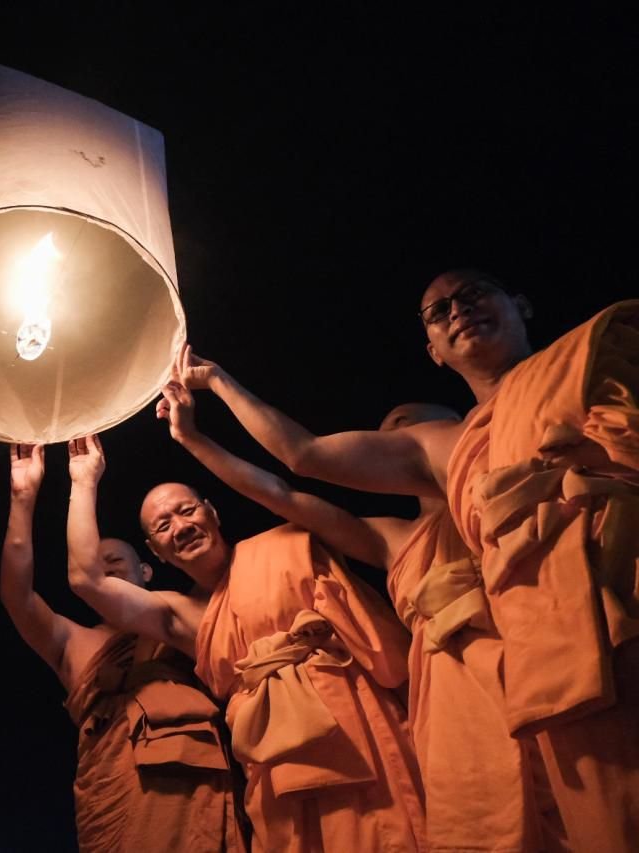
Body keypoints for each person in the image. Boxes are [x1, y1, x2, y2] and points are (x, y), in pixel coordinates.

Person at [189, 273, 639, 851]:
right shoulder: (422, 482)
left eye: (474, 293)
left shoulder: (592, 355)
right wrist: (212, 393)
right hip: (540, 634)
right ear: (433, 351)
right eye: (439, 310)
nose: (460, 310)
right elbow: (295, 469)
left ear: (519, 303)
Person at [66, 417, 424, 850]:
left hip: (361, 735)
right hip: (276, 772)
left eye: (187, 510)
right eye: (163, 526)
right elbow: (86, 579)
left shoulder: (286, 546)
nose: (180, 527)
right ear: (156, 552)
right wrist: (83, 481)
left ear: (212, 513)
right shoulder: (183, 616)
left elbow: (283, 489)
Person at [1, 443, 245, 852]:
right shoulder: (72, 640)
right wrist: (23, 499)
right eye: (96, 561)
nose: (104, 567)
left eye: (115, 560)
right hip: (114, 788)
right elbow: (16, 595)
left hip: (196, 777)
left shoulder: (185, 617)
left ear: (146, 569)